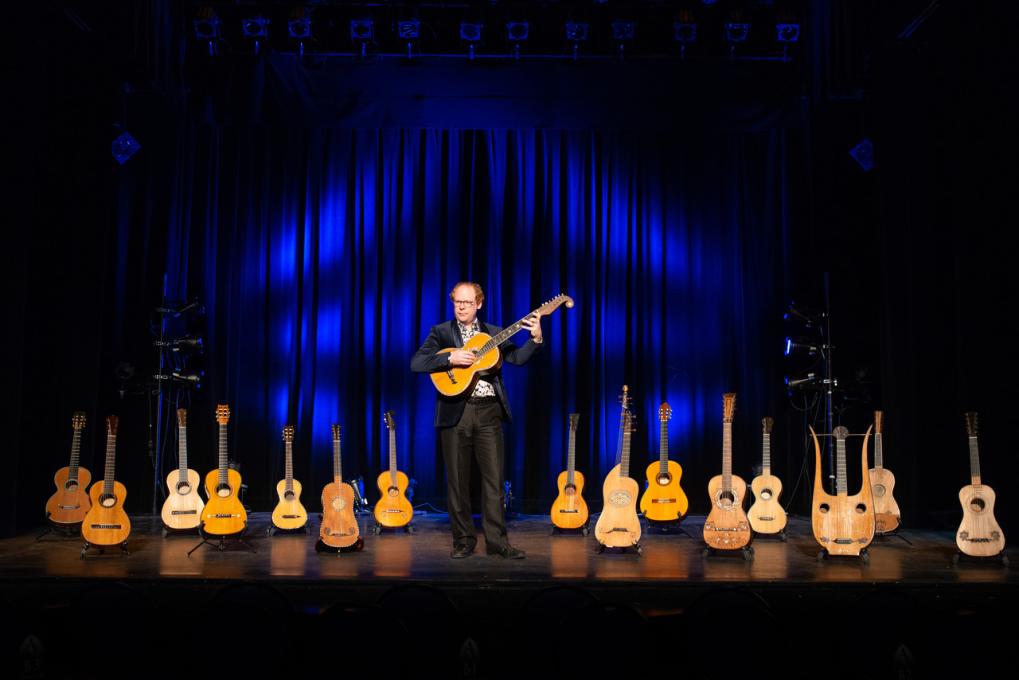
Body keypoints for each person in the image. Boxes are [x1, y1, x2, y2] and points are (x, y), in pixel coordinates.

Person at [410, 281, 543, 559]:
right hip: (455, 412)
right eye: (457, 302)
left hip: (488, 412)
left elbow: (517, 358)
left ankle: (497, 542)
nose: (461, 307)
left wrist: (535, 339)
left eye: (467, 302)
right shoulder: (441, 332)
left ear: (479, 304)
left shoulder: (493, 333)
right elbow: (417, 363)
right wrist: (450, 359)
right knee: (457, 483)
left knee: (493, 481)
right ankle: (463, 542)